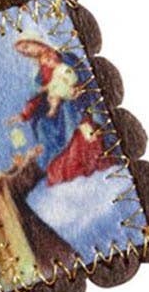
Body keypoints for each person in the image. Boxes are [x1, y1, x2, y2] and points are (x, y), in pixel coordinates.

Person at [0, 143, 75, 292]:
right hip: (14, 224)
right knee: (44, 252)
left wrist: (17, 166)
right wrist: (29, 159)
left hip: (15, 220)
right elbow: (12, 185)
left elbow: (3, 182)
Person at [9, 35, 116, 186]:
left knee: (83, 133)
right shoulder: (39, 72)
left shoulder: (65, 57)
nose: (27, 52)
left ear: (36, 41)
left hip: (76, 105)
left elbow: (81, 75)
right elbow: (38, 96)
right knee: (43, 127)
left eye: (26, 47)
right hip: (60, 112)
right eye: (23, 52)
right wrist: (24, 115)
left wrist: (77, 88)